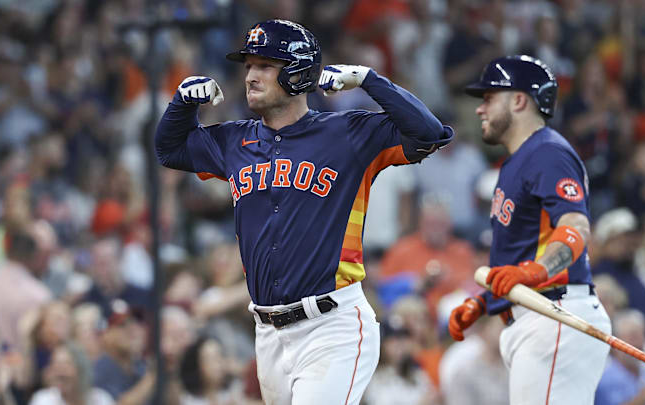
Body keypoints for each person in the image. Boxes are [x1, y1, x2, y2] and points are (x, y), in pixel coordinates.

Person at [155, 18, 453, 405]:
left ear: (297, 72)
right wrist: (181, 104)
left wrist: (369, 80)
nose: (250, 76)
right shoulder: (233, 140)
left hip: (333, 325)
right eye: (248, 66)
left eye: (264, 65)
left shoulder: (348, 133)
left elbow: (430, 133)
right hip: (268, 332)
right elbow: (170, 150)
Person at [447, 55, 611, 404]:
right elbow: (521, 252)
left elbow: (576, 224)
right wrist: (486, 299)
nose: (480, 109)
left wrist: (536, 272)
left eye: (489, 97)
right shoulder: (518, 160)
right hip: (535, 318)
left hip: (554, 315)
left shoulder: (547, 152)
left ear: (519, 99)